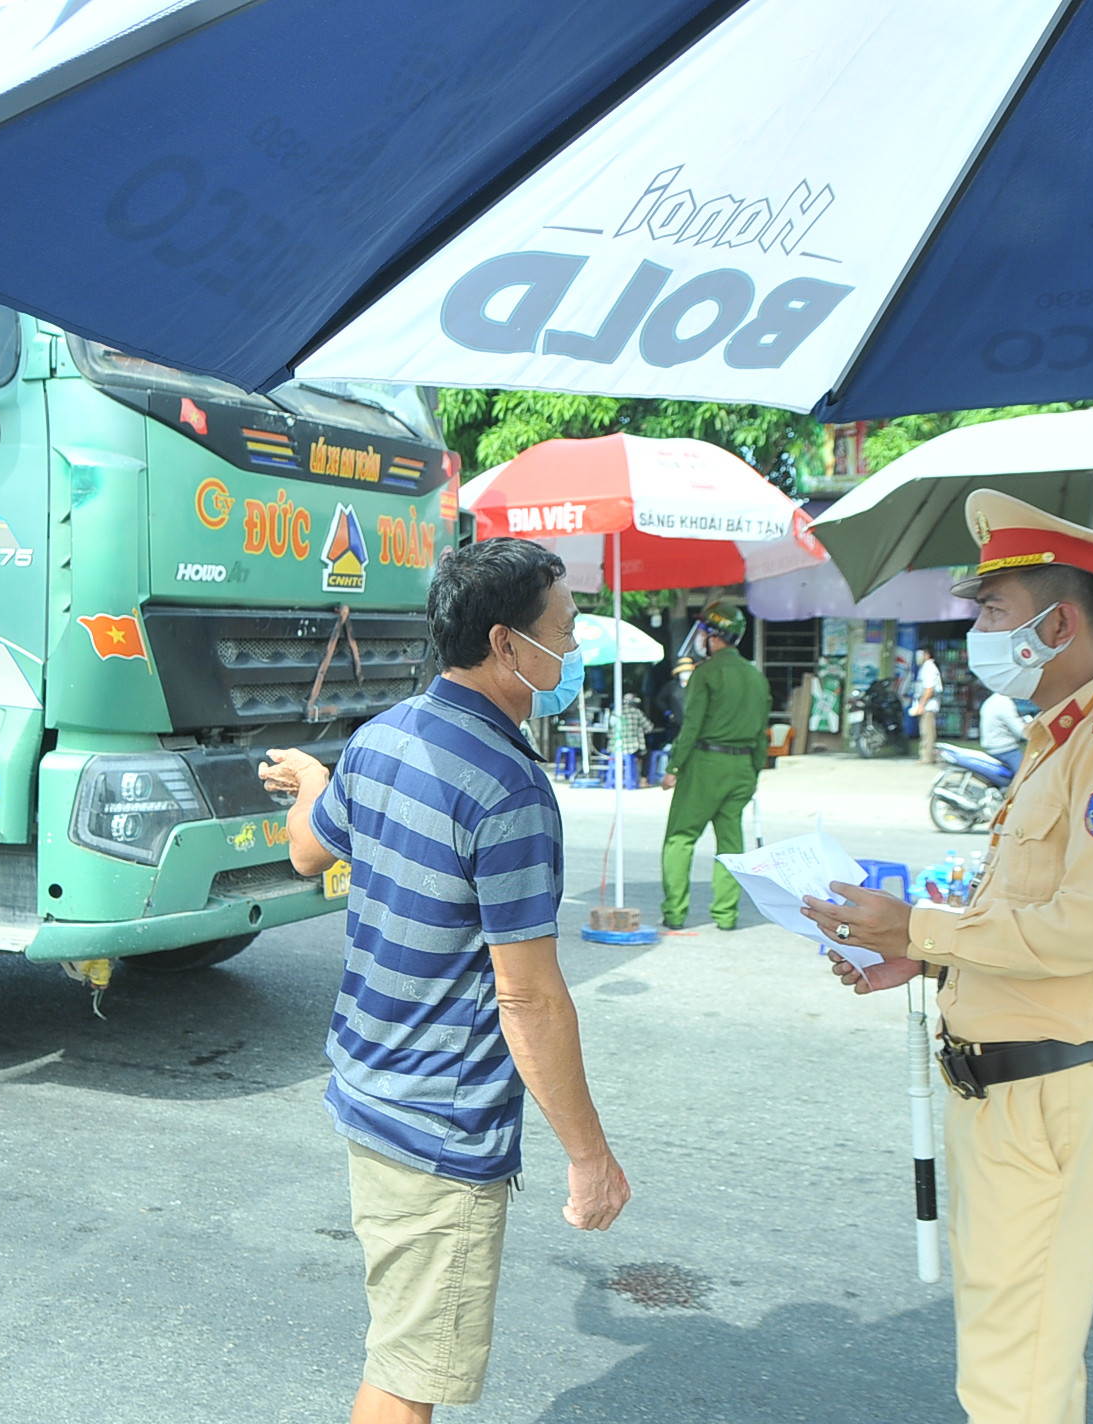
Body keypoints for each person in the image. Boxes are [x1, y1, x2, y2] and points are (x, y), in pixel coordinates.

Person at [800, 489, 1093, 1424]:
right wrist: (928, 964)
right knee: (1015, 1360)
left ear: (1059, 623)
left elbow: (1087, 932)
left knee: (1015, 1377)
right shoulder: (1057, 742)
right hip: (1005, 1092)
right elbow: (1030, 922)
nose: (977, 628)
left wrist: (920, 930)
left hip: (1050, 1093)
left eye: (992, 611)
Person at [259, 538, 630, 1424]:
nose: (573, 651)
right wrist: (590, 1158)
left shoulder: (380, 739)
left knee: (403, 1347)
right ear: (507, 645)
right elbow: (529, 997)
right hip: (437, 1123)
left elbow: (308, 851)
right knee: (407, 1377)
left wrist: (314, 779)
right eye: (565, 632)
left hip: (366, 1088)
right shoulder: (509, 790)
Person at [659, 601, 771, 931]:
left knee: (680, 838)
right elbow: (762, 735)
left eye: (705, 631)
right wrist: (754, 773)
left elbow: (691, 726)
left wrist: (674, 767)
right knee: (731, 846)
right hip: (742, 769)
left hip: (706, 763)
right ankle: (726, 915)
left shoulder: (706, 673)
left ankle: (675, 913)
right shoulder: (756, 677)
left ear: (714, 635)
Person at [978, 689, 1028, 774]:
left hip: (992, 747)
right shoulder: (1004, 703)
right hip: (1005, 750)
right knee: (1025, 775)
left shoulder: (993, 700)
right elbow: (1020, 731)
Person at [911, 646, 944, 763]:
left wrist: (921, 705)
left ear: (927, 655)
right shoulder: (925, 667)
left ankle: (927, 758)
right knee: (924, 731)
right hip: (925, 705)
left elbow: (929, 689)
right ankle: (925, 756)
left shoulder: (929, 668)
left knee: (927, 732)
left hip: (928, 706)